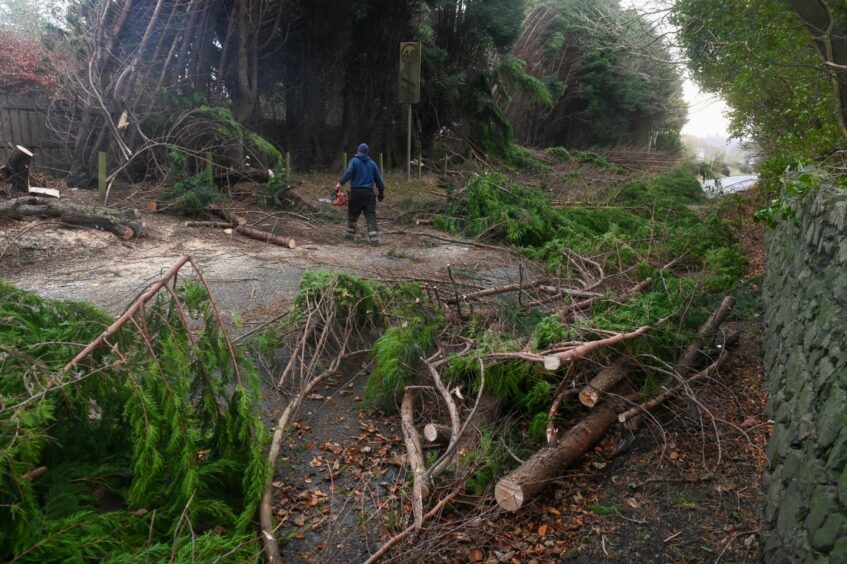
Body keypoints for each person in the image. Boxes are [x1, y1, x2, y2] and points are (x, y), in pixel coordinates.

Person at [336, 143, 385, 245]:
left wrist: (340, 183)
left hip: (355, 194)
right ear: (367, 152)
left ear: (358, 151)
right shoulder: (372, 164)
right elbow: (380, 182)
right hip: (369, 195)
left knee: (352, 216)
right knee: (370, 216)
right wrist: (381, 194)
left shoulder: (354, 161)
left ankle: (348, 238)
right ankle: (374, 239)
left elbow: (348, 173)